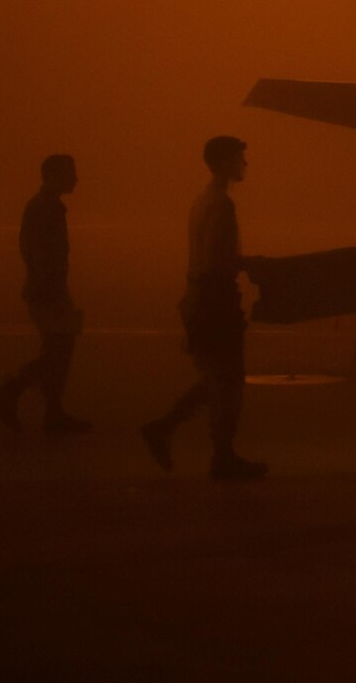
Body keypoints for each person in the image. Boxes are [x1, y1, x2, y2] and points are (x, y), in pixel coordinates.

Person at [141, 136, 266, 481]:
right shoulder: (221, 205)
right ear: (226, 163)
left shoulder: (202, 201)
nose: (245, 165)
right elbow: (216, 260)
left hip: (200, 297)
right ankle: (220, 454)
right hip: (215, 300)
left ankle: (171, 431)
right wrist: (250, 263)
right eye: (241, 158)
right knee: (229, 382)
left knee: (215, 378)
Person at [0, 154, 90, 434]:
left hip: (50, 288)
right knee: (57, 352)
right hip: (49, 290)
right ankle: (11, 392)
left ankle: (51, 412)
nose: (76, 180)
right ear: (52, 176)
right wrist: (51, 289)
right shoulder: (44, 208)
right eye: (70, 174)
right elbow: (38, 253)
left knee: (57, 351)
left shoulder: (47, 207)